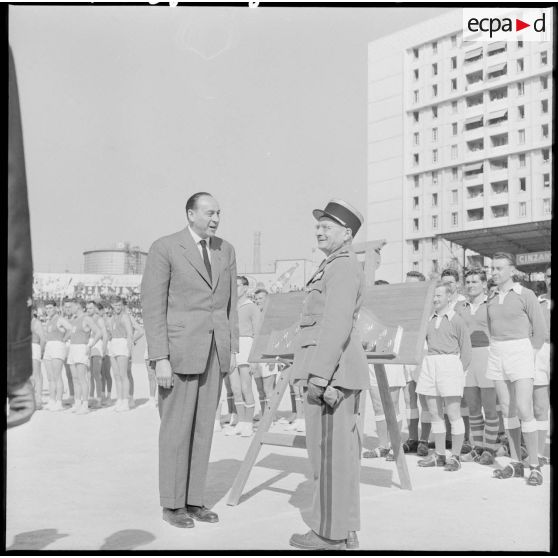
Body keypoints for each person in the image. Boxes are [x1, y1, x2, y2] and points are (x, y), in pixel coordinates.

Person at [141, 192, 239, 529]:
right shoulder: (165, 247)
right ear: (190, 214)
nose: (215, 219)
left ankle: (194, 500)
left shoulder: (225, 250)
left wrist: (232, 349)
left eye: (219, 213)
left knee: (202, 429)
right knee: (176, 429)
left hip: (215, 352)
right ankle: (172, 504)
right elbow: (153, 307)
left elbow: (230, 306)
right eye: (210, 213)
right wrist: (160, 358)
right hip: (179, 353)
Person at [289, 199, 369, 551]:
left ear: (347, 234)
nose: (319, 230)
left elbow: (334, 326)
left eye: (328, 226)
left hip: (331, 375)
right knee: (338, 457)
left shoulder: (341, 266)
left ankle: (329, 535)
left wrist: (319, 377)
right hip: (332, 371)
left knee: (330, 458)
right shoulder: (335, 265)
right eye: (318, 225)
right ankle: (344, 528)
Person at [487, 253, 546, 486]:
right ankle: (515, 462)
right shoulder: (491, 298)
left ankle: (534, 465)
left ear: (512, 271)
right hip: (497, 352)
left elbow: (539, 330)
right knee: (507, 409)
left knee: (523, 407)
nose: (494, 272)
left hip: (521, 350)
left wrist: (529, 353)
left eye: (499, 268)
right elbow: (492, 329)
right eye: (493, 268)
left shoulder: (526, 294)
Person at [416, 282, 472, 471]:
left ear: (449, 297)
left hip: (450, 365)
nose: (435, 298)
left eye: (439, 295)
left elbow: (466, 350)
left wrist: (458, 372)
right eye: (433, 295)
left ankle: (454, 456)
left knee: (453, 414)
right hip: (430, 363)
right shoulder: (428, 319)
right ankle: (439, 455)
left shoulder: (457, 319)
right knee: (435, 413)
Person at [459, 269, 499, 465]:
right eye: (467, 281)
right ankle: (477, 448)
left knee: (490, 408)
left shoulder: (492, 305)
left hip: (487, 356)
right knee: (473, 407)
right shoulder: (460, 307)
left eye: (475, 281)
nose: (470, 284)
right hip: (467, 359)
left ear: (484, 284)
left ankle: (490, 449)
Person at [225, 276, 259, 436]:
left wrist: (254, 357)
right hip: (232, 346)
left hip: (246, 345)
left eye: (237, 285)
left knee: (246, 387)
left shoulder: (251, 307)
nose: (235, 288)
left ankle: (248, 423)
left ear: (245, 288)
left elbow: (258, 333)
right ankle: (240, 421)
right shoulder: (230, 307)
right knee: (235, 388)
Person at [401, 270, 431, 455]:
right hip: (406, 355)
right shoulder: (403, 307)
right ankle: (412, 438)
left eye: (413, 284)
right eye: (407, 284)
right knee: (408, 399)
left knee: (425, 400)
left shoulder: (428, 306)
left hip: (423, 355)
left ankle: (424, 440)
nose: (409, 288)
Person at [67, 299, 101, 414]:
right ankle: (77, 403)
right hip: (72, 348)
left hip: (81, 348)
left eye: (71, 306)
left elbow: (98, 332)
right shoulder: (74, 319)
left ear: (78, 306)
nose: (69, 308)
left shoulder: (86, 318)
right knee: (75, 379)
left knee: (82, 378)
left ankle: (85, 405)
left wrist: (90, 345)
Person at [252, 288, 279, 422]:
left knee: (269, 389)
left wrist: (273, 358)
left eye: (261, 298)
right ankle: (264, 415)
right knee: (260, 389)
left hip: (268, 356)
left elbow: (276, 337)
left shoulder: (272, 316)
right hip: (256, 356)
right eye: (256, 299)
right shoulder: (255, 315)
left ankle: (270, 417)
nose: (258, 301)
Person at [534, 265, 551, 466]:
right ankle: (538, 452)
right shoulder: (537, 302)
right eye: (548, 276)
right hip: (541, 352)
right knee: (539, 406)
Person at [43, 300, 72, 411]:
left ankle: (59, 402)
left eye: (50, 308)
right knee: (50, 377)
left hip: (57, 346)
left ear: (55, 308)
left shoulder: (60, 319)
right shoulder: (48, 320)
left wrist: (64, 339)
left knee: (57, 375)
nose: (48, 310)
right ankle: (52, 400)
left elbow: (70, 329)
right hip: (49, 346)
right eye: (47, 308)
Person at [107, 295, 134, 412]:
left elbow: (130, 334)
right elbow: (110, 333)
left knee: (123, 375)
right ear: (112, 306)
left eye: (119, 305)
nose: (117, 307)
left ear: (122, 305)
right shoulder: (112, 318)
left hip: (122, 343)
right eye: (115, 305)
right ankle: (119, 399)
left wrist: (129, 349)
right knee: (116, 375)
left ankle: (125, 401)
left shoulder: (125, 317)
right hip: (113, 344)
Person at [87, 301, 109, 407]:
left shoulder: (99, 319)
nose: (88, 310)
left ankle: (99, 399)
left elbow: (104, 335)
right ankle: (91, 398)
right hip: (89, 346)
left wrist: (104, 349)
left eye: (91, 308)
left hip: (97, 346)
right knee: (90, 374)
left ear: (95, 308)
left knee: (96, 373)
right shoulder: (88, 318)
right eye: (87, 308)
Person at [31, 310, 46, 410]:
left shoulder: (36, 322)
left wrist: (40, 352)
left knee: (37, 374)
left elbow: (43, 339)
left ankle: (39, 400)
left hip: (34, 347)